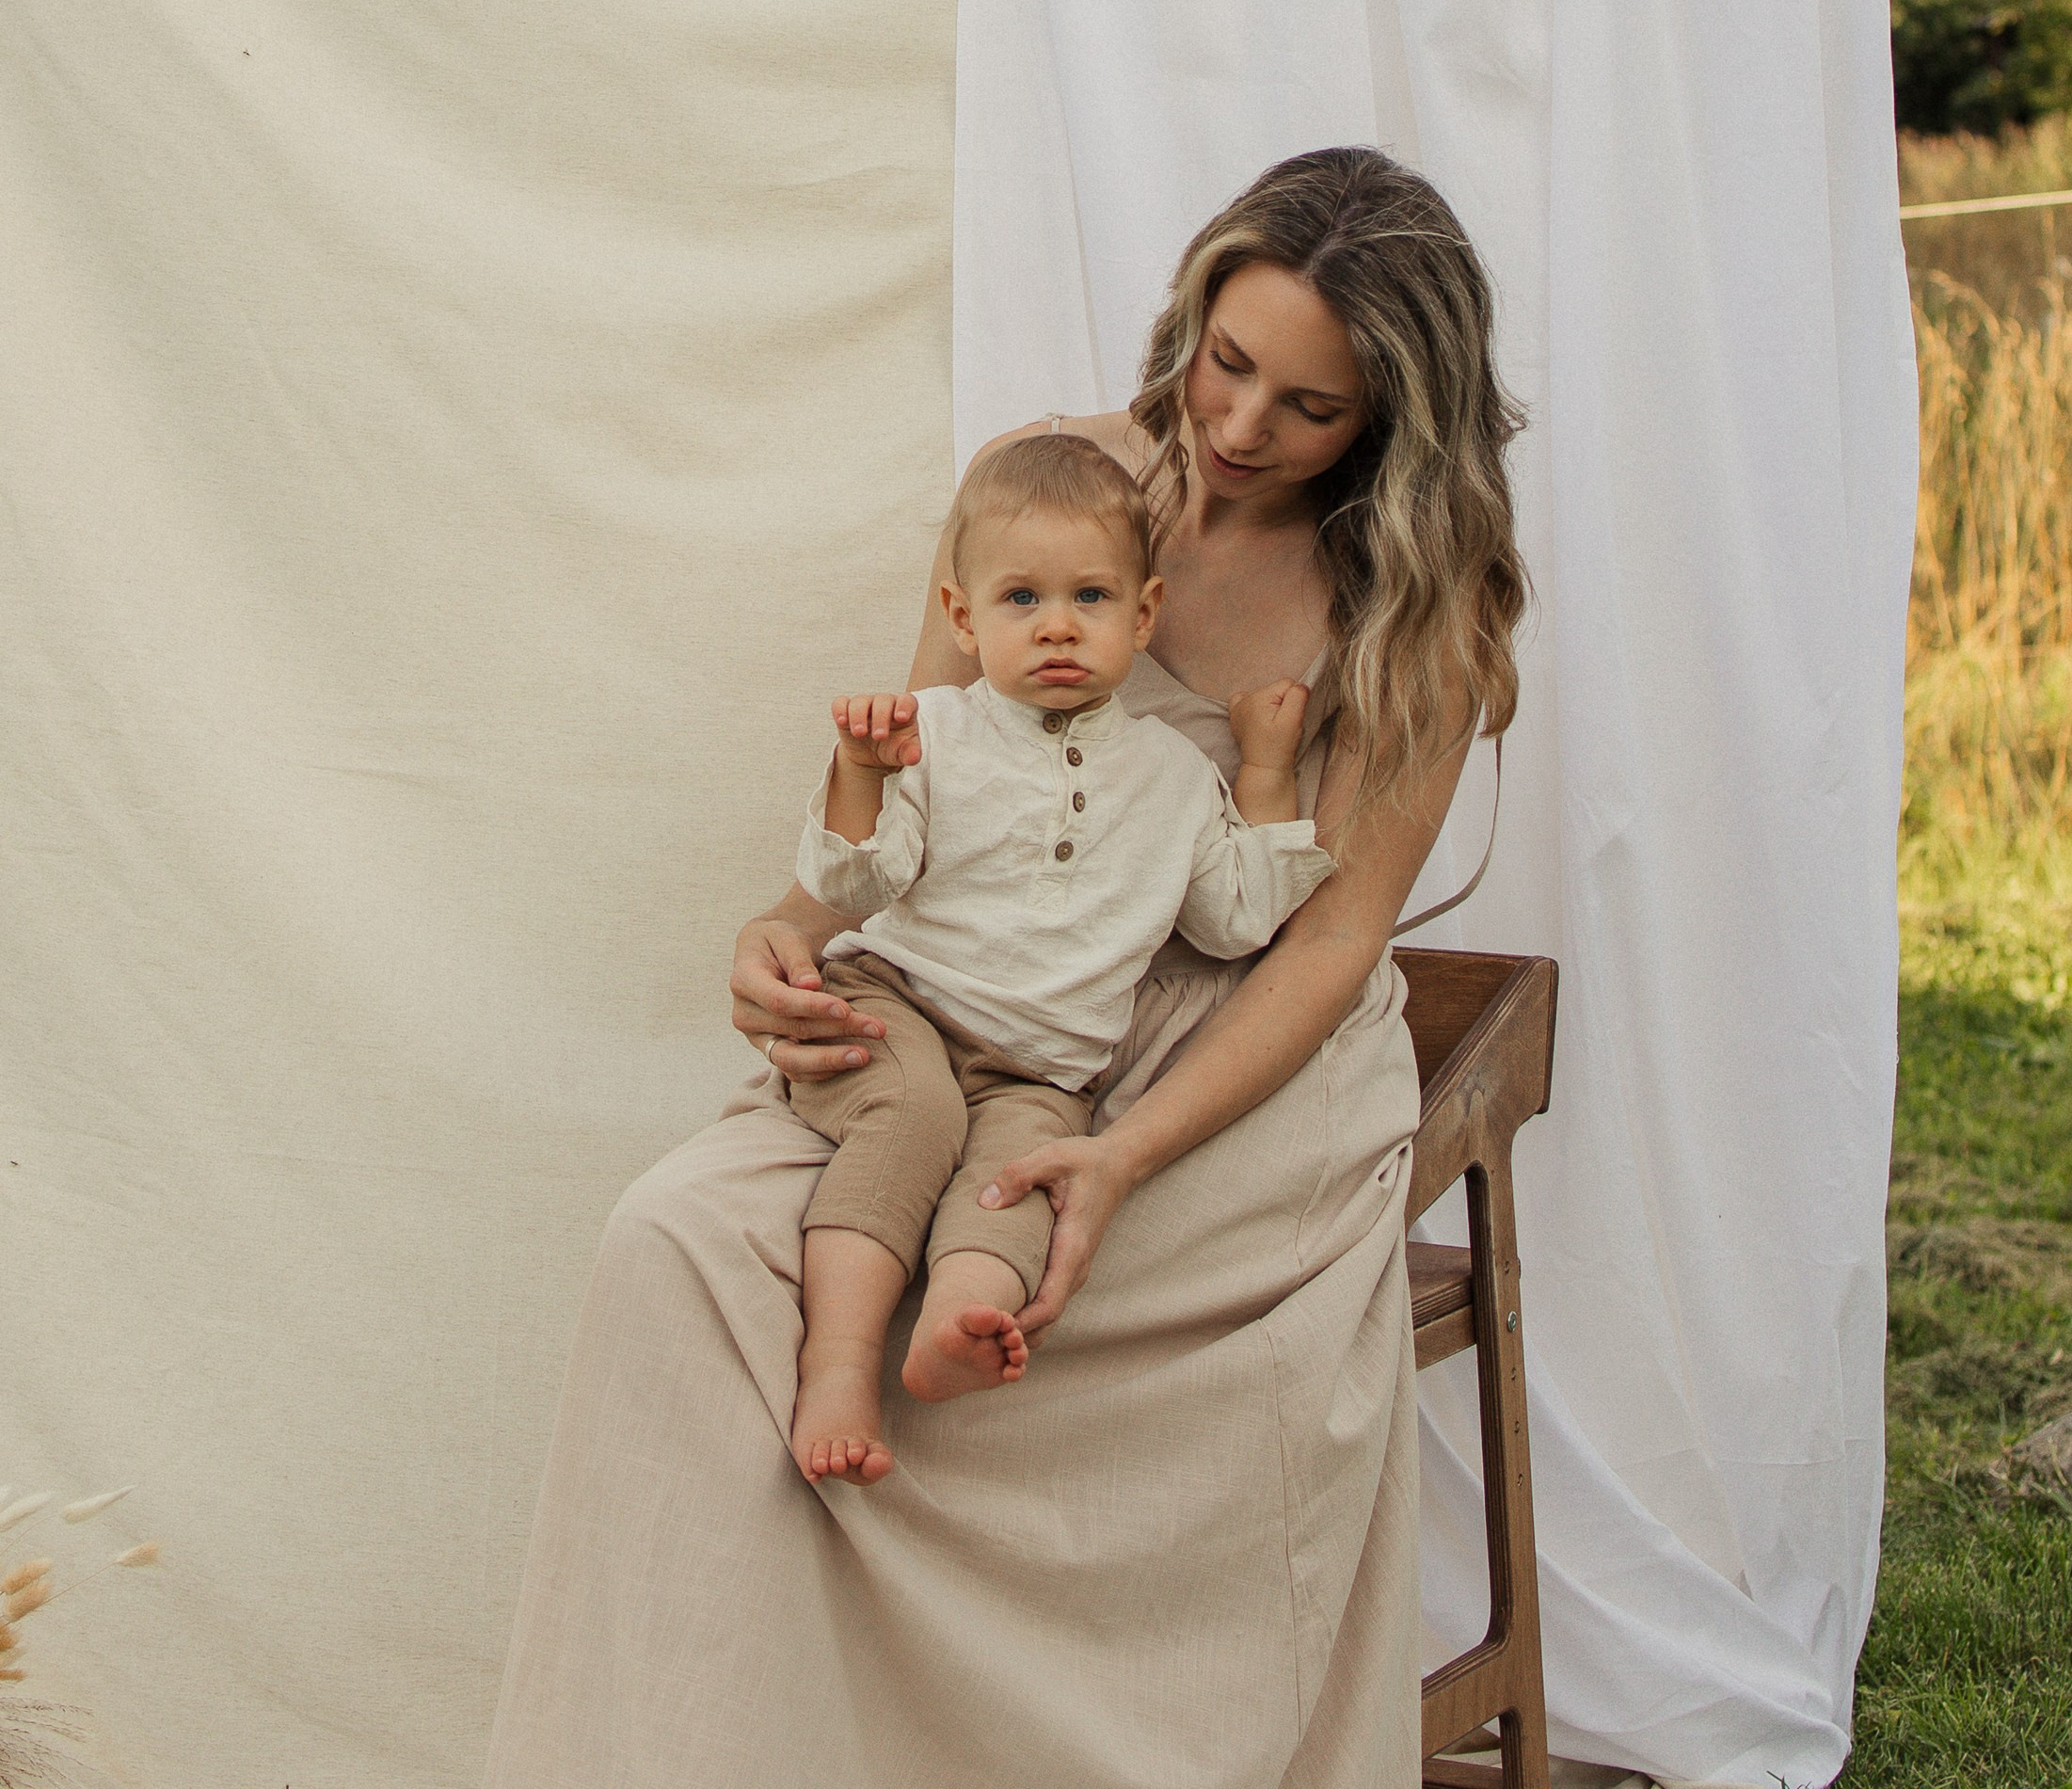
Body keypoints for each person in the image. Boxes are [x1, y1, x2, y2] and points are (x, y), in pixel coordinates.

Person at [485, 145, 1527, 1789]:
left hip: (1230, 1068)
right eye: (1227, 360)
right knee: (679, 1238)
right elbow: (924, 777)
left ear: (1394, 424)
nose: (1239, 425)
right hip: (968, 1004)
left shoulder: (1414, 598)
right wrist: (790, 935)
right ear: (1193, 310)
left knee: (1041, 1319)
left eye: (1308, 409)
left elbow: (1329, 944)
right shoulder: (1056, 482)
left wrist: (1119, 1151)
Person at [784, 432, 1332, 1483]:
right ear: (963, 617)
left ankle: (958, 1324)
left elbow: (1236, 921)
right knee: (916, 1118)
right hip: (901, 1001)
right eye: (1021, 601)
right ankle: (841, 1367)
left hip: (1044, 1063)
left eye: (1090, 597)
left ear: (1144, 613)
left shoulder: (1175, 776)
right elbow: (859, 884)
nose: (1059, 628)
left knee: (1021, 1180)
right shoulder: (931, 733)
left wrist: (1264, 771)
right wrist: (860, 773)